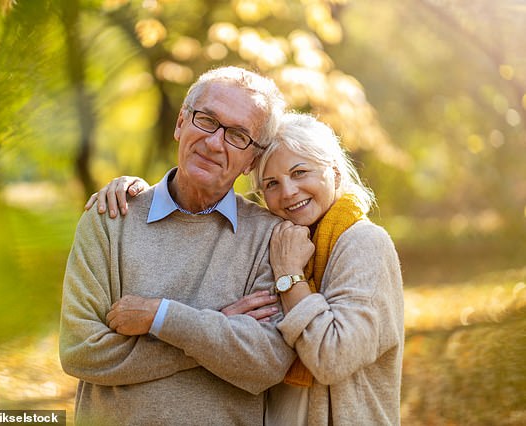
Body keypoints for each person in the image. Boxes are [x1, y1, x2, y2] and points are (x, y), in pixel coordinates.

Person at [89, 112, 405, 425]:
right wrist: (140, 195)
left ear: (334, 173)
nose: (288, 192)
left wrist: (290, 276)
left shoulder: (363, 243)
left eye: (299, 172)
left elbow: (332, 358)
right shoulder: (281, 239)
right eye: (272, 184)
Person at [59, 66, 296, 425]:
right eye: (207, 121)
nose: (215, 142)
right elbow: (80, 352)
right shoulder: (110, 217)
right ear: (180, 123)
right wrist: (217, 327)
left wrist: (161, 317)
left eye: (237, 136)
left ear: (252, 159)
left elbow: (267, 364)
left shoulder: (270, 237)